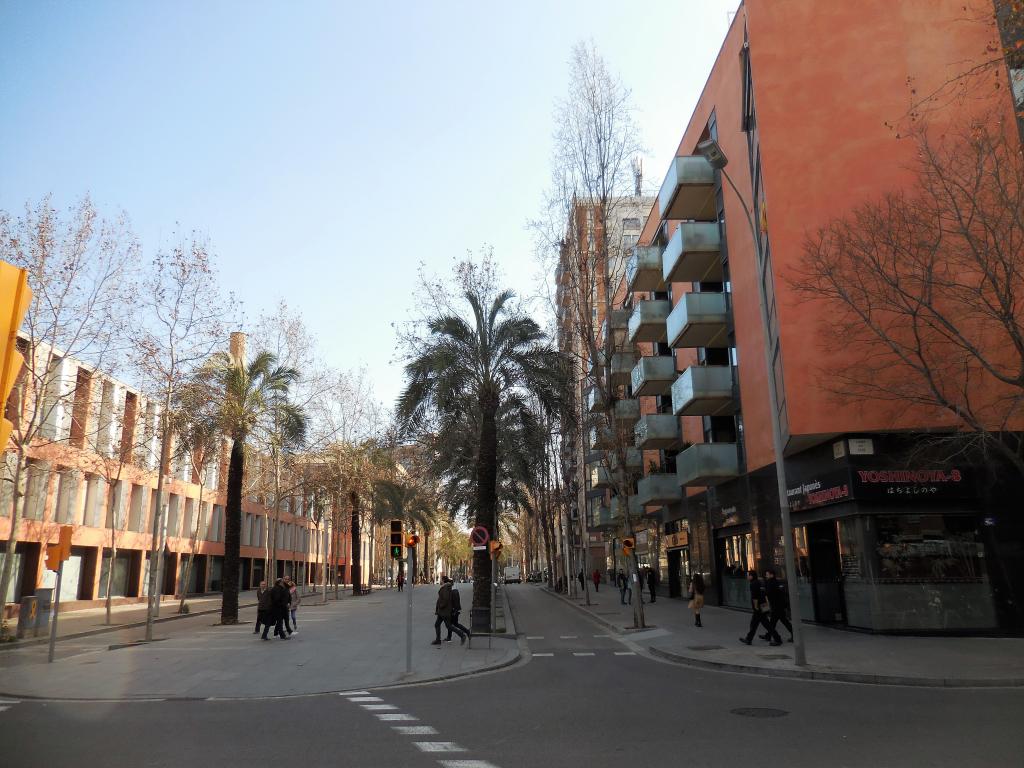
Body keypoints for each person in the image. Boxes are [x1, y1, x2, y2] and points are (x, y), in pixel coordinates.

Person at [739, 569, 781, 646]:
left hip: (759, 607)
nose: (747, 577)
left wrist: (755, 606)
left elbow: (755, 597)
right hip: (763, 605)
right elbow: (764, 594)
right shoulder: (760, 582)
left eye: (748, 575)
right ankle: (748, 639)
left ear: (751, 576)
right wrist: (767, 604)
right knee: (755, 624)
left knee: (765, 624)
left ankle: (777, 639)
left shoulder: (753, 584)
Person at [431, 573, 466, 645]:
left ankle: (462, 635)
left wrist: (441, 605)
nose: (440, 581)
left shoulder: (445, 588)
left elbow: (446, 598)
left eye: (441, 580)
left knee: (448, 626)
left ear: (443, 580)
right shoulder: (446, 587)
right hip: (442, 611)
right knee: (437, 624)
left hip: (444, 610)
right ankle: (438, 640)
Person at [761, 569, 794, 643]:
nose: (766, 575)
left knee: (780, 621)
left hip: (776, 605)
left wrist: (763, 592)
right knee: (777, 621)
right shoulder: (775, 581)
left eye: (767, 574)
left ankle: (770, 636)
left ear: (771, 575)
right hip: (778, 605)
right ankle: (768, 635)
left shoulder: (771, 582)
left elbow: (768, 593)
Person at [445, 577, 471, 643]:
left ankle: (466, 632)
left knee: (453, 624)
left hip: (454, 610)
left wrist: (455, 610)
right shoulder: (453, 590)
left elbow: (455, 602)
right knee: (452, 624)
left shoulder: (453, 592)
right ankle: (449, 637)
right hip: (454, 610)